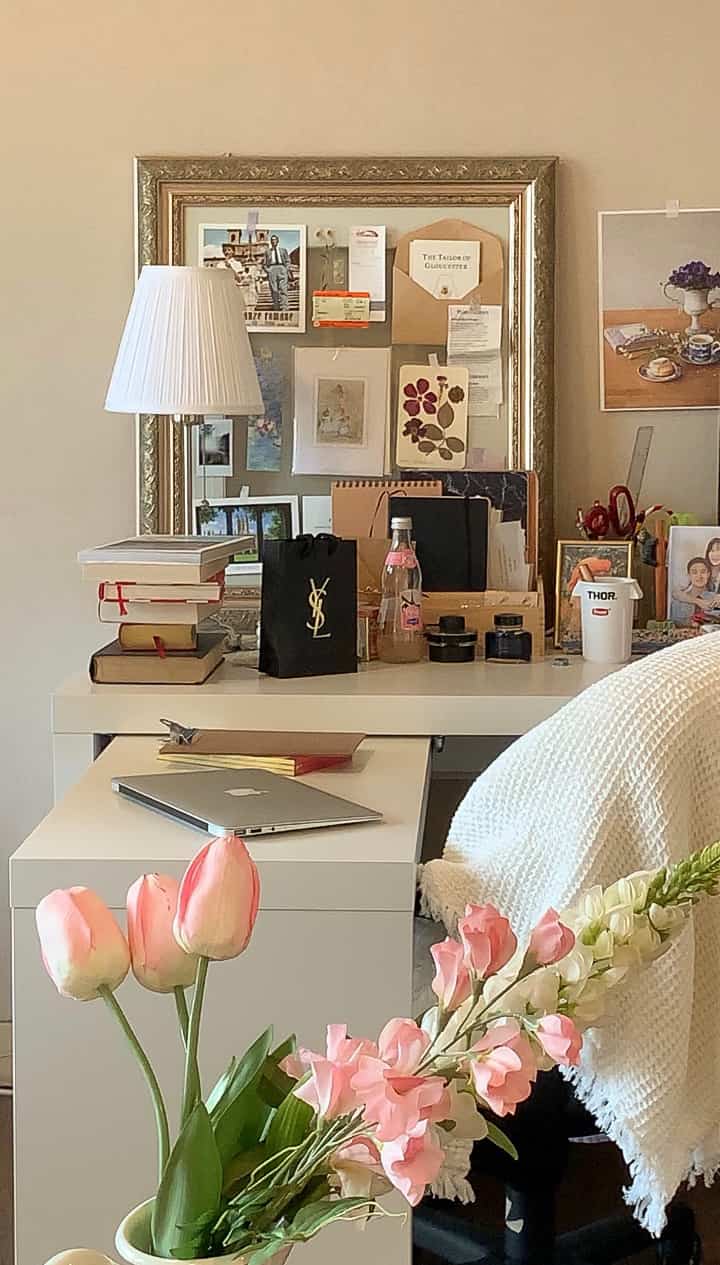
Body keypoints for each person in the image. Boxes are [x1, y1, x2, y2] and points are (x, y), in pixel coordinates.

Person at [670, 556, 718, 625]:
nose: (699, 576)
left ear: (708, 574)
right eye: (694, 572)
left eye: (703, 572)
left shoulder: (716, 599)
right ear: (689, 575)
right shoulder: (678, 601)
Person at [263, 234, 290, 310]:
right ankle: (276, 306)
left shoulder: (283, 250)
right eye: (272, 240)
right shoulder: (267, 251)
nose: (273, 241)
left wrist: (286, 269)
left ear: (278, 241)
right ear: (270, 242)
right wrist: (268, 271)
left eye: (275, 240)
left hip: (282, 268)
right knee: (274, 289)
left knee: (283, 289)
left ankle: (285, 307)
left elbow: (288, 261)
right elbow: (264, 263)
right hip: (272, 269)